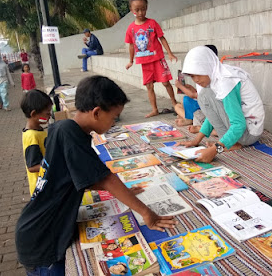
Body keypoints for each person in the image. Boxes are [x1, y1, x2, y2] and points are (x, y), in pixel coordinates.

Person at [15, 76, 177, 275]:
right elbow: (106, 178)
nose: (114, 123)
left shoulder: (62, 128)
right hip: (42, 238)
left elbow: (81, 175)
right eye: (114, 117)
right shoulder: (69, 132)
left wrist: (124, 192)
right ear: (97, 112)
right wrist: (147, 213)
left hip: (39, 228)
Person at [180, 46, 265, 163]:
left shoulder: (225, 82)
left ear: (207, 67)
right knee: (204, 95)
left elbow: (239, 125)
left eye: (198, 74)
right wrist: (196, 140)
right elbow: (214, 114)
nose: (196, 80)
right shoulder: (217, 76)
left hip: (248, 134)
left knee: (204, 96)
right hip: (247, 130)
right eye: (192, 76)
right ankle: (231, 141)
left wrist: (216, 149)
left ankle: (232, 143)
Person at [125, 0, 178, 118]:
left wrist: (170, 54)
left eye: (143, 9)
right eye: (137, 10)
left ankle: (175, 104)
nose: (140, 13)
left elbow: (162, 38)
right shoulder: (131, 29)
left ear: (147, 7)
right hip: (144, 62)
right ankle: (155, 109)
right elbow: (131, 45)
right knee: (149, 86)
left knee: (166, 83)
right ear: (131, 9)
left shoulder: (152, 23)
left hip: (158, 59)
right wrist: (131, 61)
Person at [174, 45, 217, 131]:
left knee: (185, 100)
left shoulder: (213, 75)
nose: (196, 80)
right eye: (193, 77)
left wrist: (181, 86)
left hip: (210, 110)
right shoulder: (202, 74)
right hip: (204, 107)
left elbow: (196, 96)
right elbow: (200, 94)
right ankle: (190, 119)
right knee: (178, 105)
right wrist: (191, 88)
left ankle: (190, 119)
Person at [20, 90, 52, 195]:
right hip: (41, 187)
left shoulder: (38, 129)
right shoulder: (31, 136)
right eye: (47, 113)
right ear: (34, 114)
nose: (50, 116)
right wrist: (54, 165)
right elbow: (32, 167)